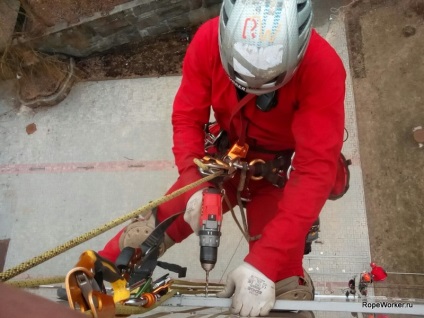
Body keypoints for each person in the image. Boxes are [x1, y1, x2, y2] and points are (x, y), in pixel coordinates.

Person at [98, 0, 346, 316]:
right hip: (221, 162)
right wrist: (193, 182)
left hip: (276, 178)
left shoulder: (322, 68)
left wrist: (265, 262)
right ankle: (99, 279)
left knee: (283, 286)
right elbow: (188, 116)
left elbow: (314, 172)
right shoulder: (208, 40)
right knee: (142, 235)